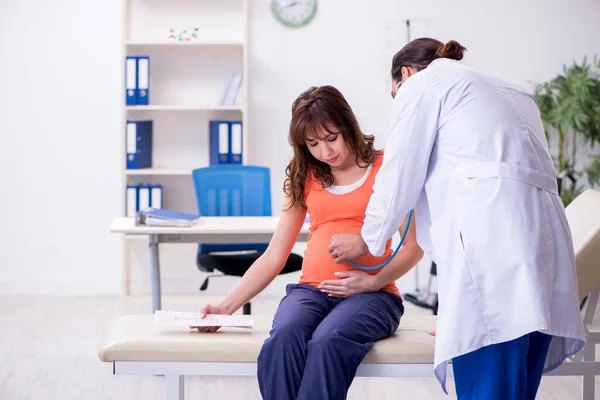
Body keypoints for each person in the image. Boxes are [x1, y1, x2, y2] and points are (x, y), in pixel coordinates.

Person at [327, 38, 586, 399]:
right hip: (545, 247)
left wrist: (368, 237)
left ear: (404, 74)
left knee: (489, 373)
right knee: (518, 383)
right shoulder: (514, 91)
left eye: (393, 94)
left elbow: (399, 172)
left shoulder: (422, 85)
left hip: (492, 251)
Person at [193, 85, 423, 400]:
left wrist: (372, 282)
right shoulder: (305, 176)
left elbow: (413, 247)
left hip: (375, 297)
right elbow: (274, 256)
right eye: (313, 144)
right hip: (311, 292)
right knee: (283, 338)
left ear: (348, 126)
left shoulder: (387, 168)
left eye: (331, 138)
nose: (325, 152)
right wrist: (224, 308)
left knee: (329, 340)